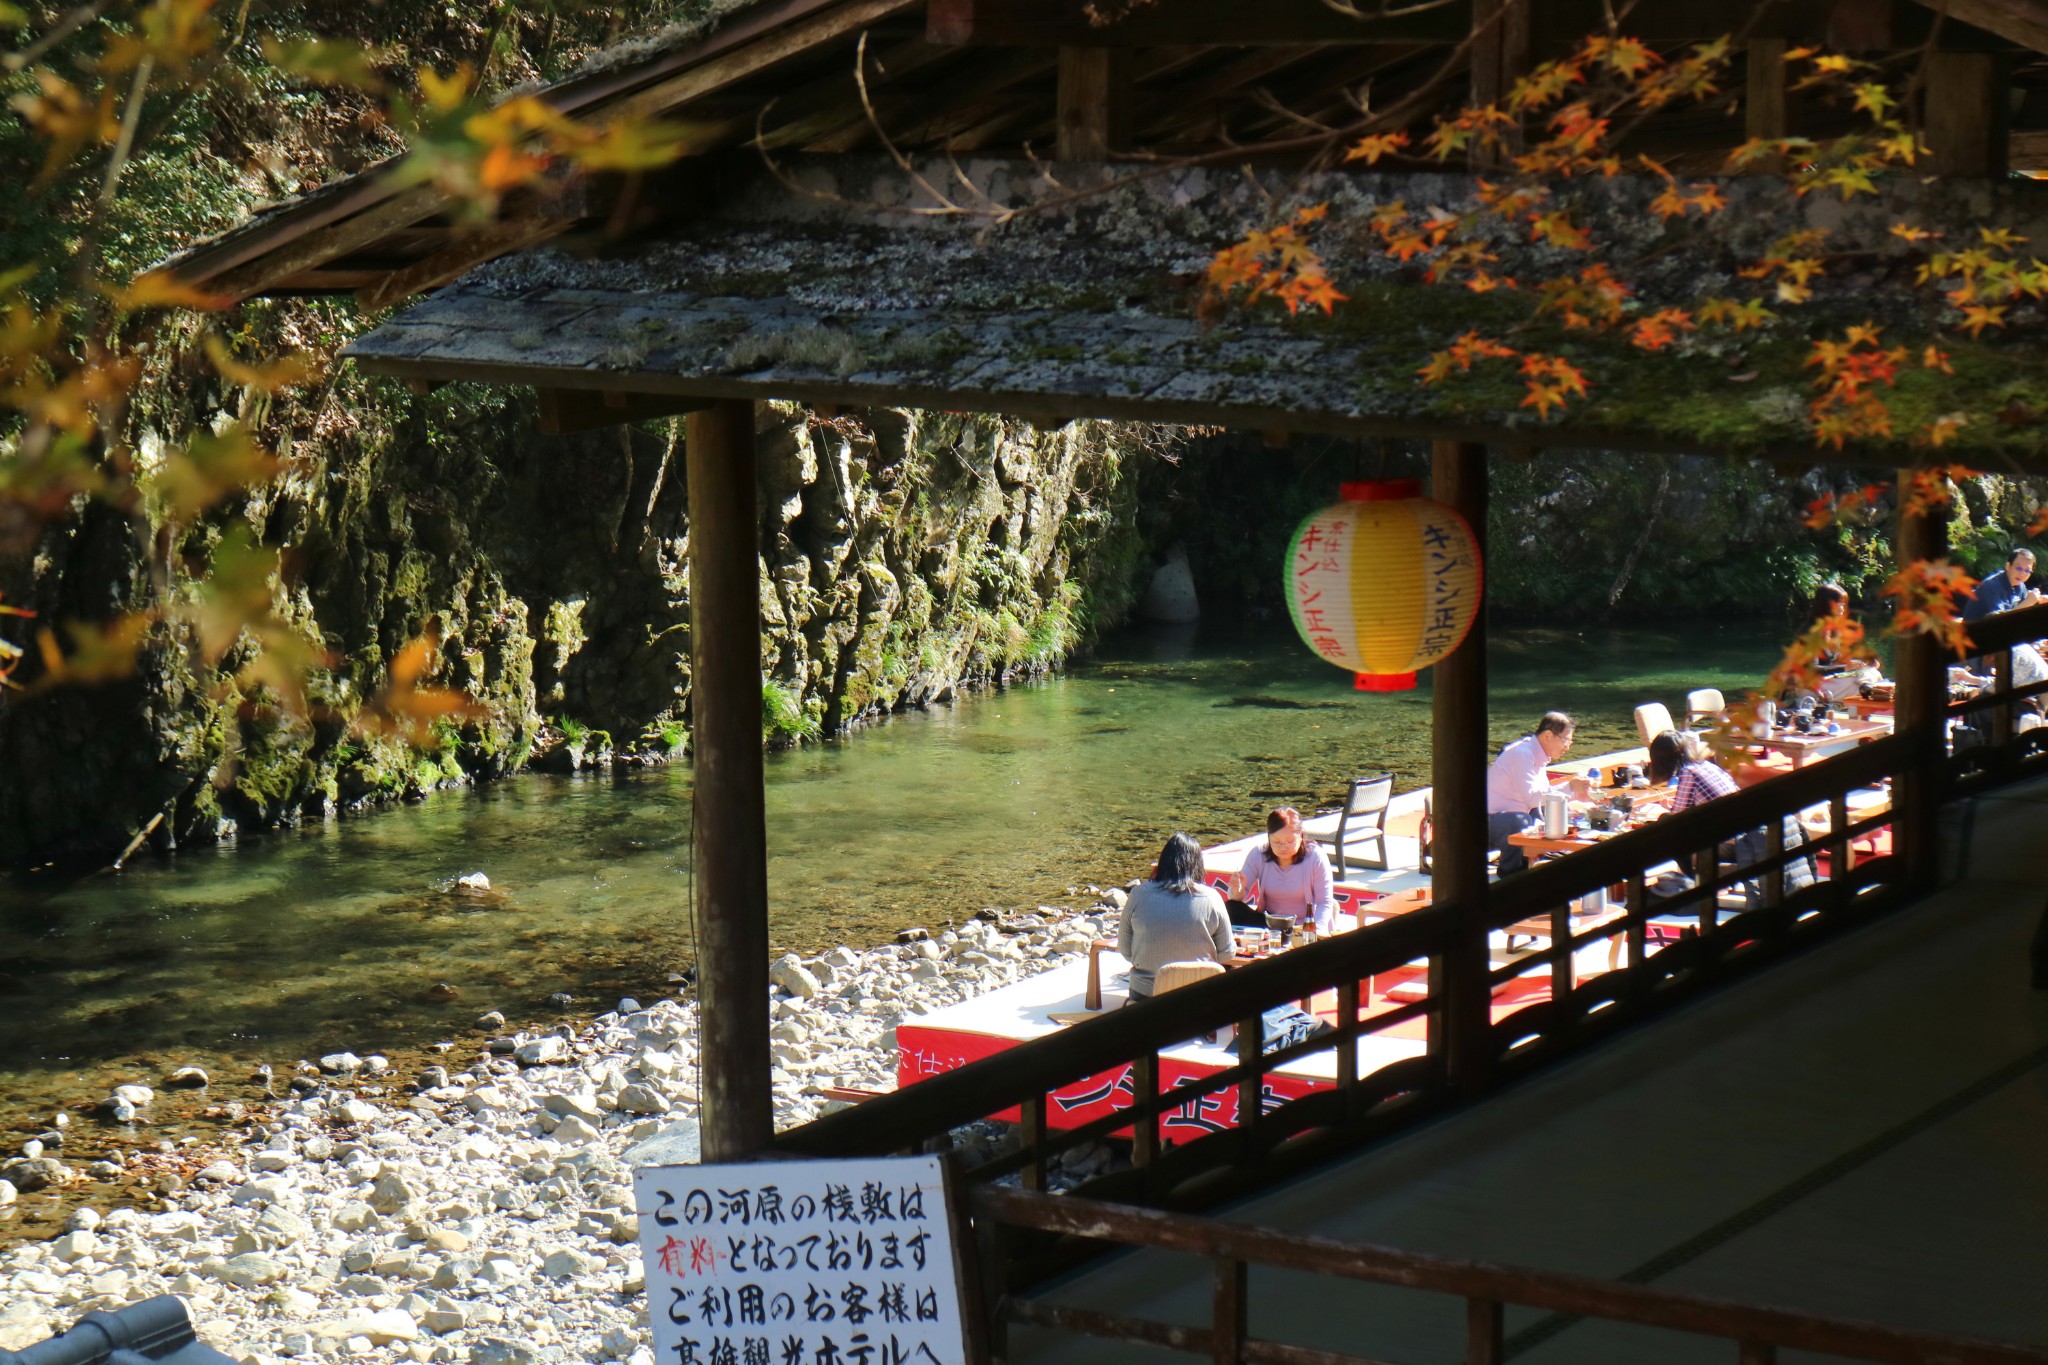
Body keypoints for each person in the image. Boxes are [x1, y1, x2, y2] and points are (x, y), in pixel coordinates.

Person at [1644, 731, 1815, 907]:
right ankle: (1717, 877)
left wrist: (1663, 814)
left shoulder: (1688, 773)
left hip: (1738, 841)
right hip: (1748, 830)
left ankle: (1700, 883)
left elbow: (1677, 818)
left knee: (1669, 830)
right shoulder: (1706, 765)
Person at [1118, 832, 1234, 1001]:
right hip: (1199, 994)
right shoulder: (1211, 897)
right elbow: (1227, 954)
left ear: (1163, 862)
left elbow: (1125, 949)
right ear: (1197, 865)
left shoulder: (1138, 895)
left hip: (1146, 995)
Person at [1485, 712, 1587, 875]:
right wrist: (1570, 787)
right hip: (1488, 822)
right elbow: (1533, 799)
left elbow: (1543, 795)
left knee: (1554, 811)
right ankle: (1510, 871)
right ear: (1547, 736)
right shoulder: (1522, 754)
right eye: (1565, 740)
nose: (1567, 746)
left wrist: (1576, 796)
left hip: (1508, 815)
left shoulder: (1538, 755)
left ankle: (1539, 860)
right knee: (1519, 820)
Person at [1234, 807, 1335, 937]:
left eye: (1290, 841)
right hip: (1269, 924)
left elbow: (1324, 902)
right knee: (1232, 907)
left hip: (1303, 926)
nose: (1283, 847)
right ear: (1269, 837)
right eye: (1276, 842)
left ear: (1301, 834)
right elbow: (1239, 895)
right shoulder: (1258, 854)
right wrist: (1237, 891)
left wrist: (1315, 932)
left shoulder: (1316, 857)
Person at [1962, 548, 2040, 623]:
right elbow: (2000, 621)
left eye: (2027, 571)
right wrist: (2027, 603)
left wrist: (2039, 601)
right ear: (2008, 566)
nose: (2022, 574)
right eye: (2019, 568)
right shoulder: (1992, 586)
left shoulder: (2020, 586)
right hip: (1974, 632)